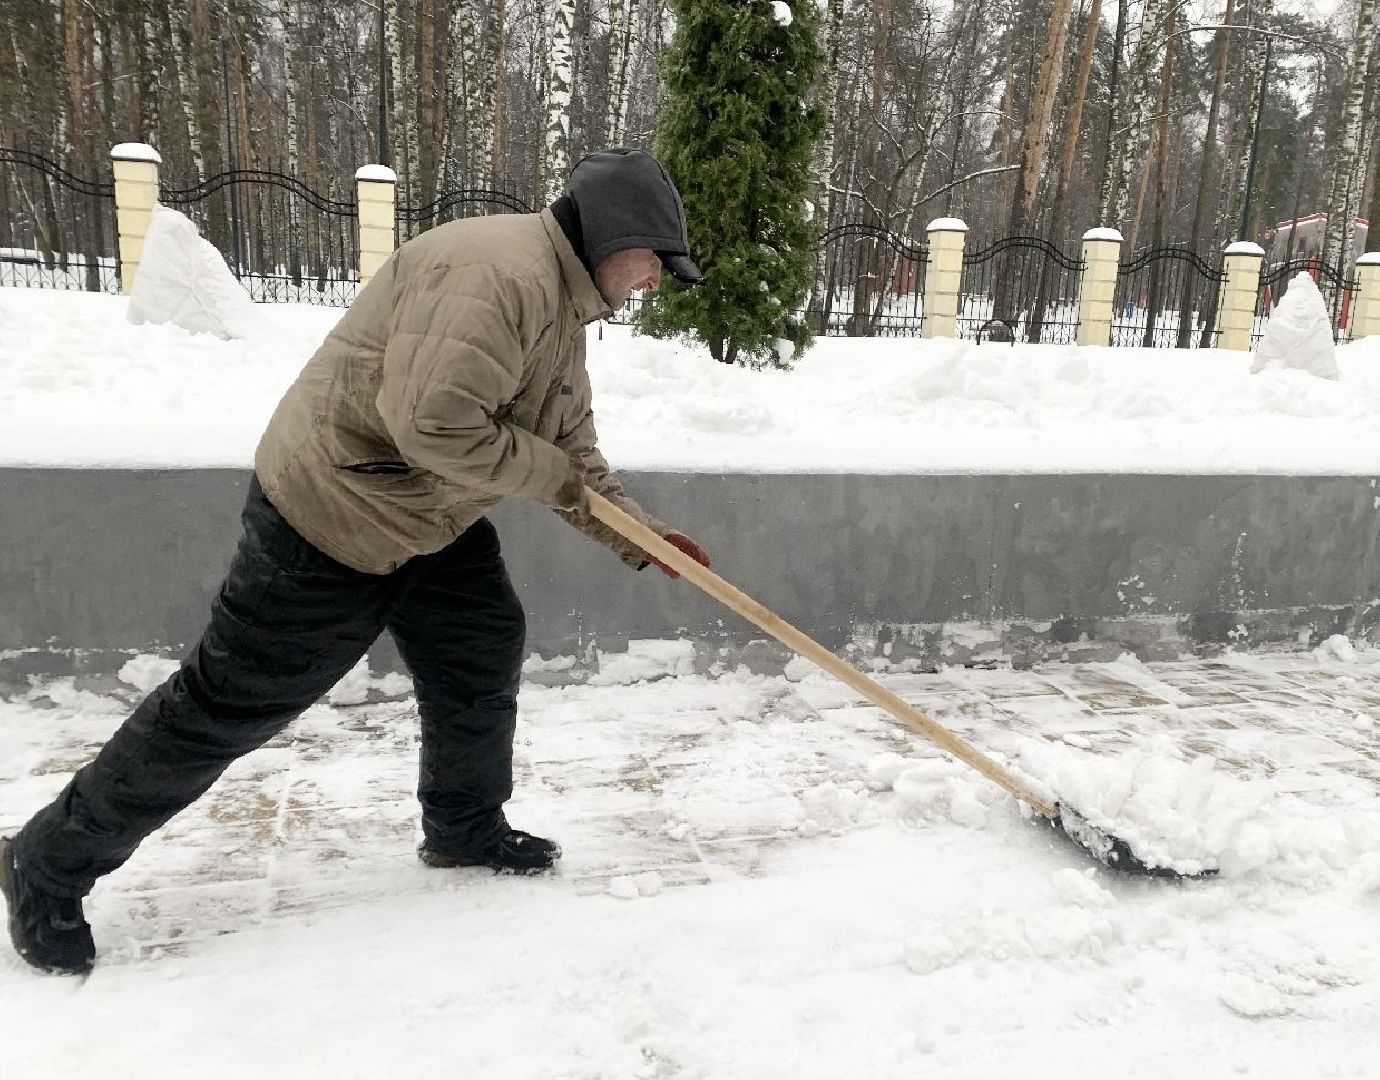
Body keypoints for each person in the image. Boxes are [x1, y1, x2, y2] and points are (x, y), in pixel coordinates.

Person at [0, 147, 712, 976]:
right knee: (226, 703)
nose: (656, 280)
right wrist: (552, 477)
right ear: (615, 237)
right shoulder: (500, 279)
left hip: (425, 514)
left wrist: (643, 536)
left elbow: (570, 448)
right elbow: (437, 428)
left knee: (480, 646)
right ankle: (46, 862)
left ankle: (464, 826)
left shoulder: (559, 300)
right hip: (331, 512)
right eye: (657, 261)